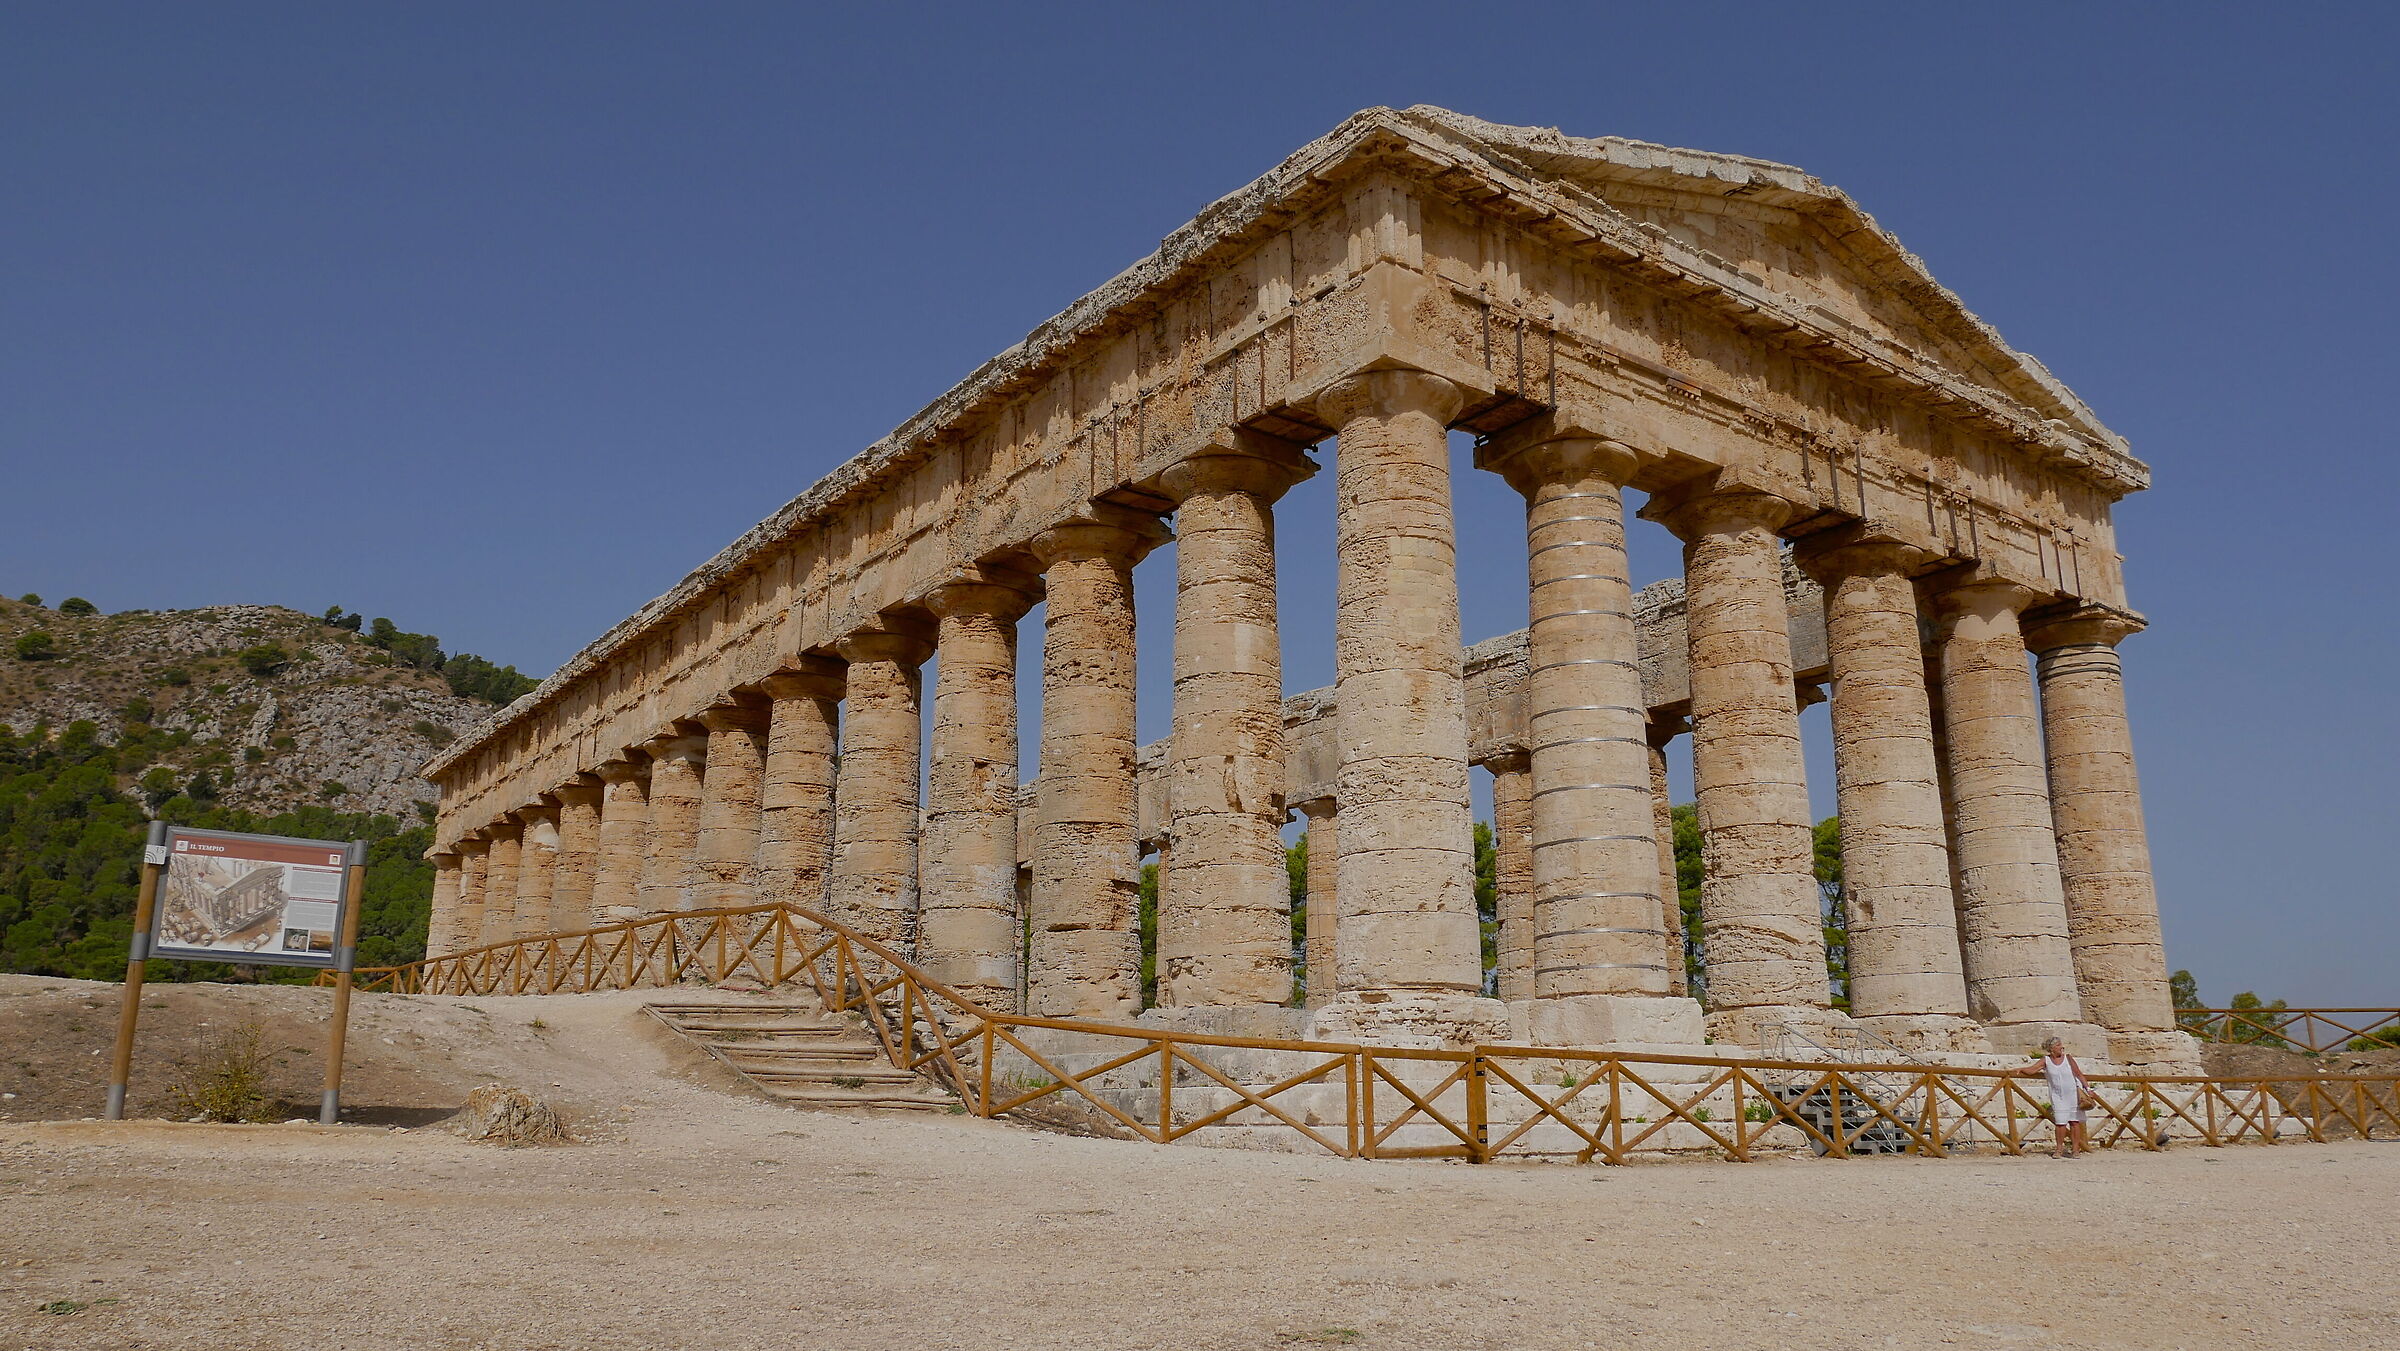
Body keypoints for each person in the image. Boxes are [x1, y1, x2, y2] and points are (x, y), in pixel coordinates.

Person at [2011, 1036, 2094, 1158]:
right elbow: (2033, 1069)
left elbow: (2078, 1074)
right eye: (2059, 1045)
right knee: (2060, 1123)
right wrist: (2021, 1069)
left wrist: (2088, 1089)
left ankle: (2076, 1150)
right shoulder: (2046, 1060)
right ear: (2052, 1048)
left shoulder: (2068, 1059)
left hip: (2072, 1095)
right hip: (2058, 1096)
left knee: (2074, 1122)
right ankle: (2059, 1149)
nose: (2061, 1047)